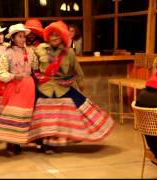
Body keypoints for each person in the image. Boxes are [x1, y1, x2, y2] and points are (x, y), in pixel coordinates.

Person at [28, 20, 115, 154]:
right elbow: (33, 68)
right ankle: (42, 143)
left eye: (58, 35)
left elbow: (78, 71)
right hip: (44, 89)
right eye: (52, 35)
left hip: (63, 89)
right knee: (41, 119)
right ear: (48, 36)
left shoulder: (69, 53)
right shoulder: (40, 49)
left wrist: (81, 84)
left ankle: (53, 143)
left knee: (68, 116)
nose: (54, 38)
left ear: (63, 36)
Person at [0, 23, 39, 155]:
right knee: (12, 114)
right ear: (13, 38)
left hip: (28, 87)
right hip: (14, 86)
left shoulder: (30, 51)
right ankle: (10, 144)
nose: (23, 39)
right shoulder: (8, 53)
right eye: (20, 36)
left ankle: (17, 142)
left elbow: (35, 68)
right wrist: (14, 76)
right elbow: (0, 72)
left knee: (23, 116)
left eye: (24, 36)